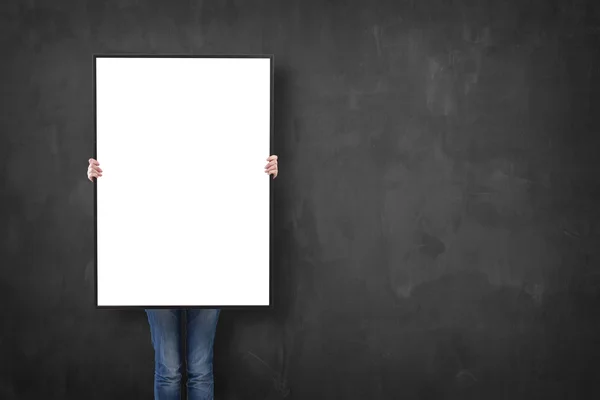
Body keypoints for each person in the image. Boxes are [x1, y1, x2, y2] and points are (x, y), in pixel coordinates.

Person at [87, 155, 279, 400]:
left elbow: (237, 164)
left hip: (209, 263)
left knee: (200, 369)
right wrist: (102, 173)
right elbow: (126, 167)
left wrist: (260, 167)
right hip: (156, 263)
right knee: (168, 369)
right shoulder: (138, 126)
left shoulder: (223, 125)